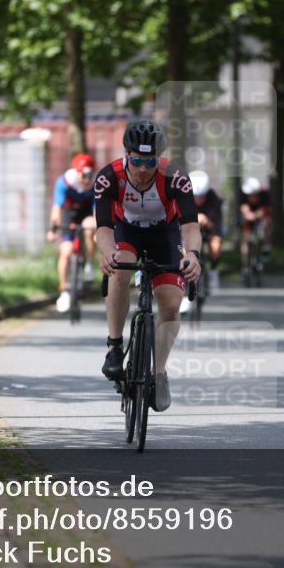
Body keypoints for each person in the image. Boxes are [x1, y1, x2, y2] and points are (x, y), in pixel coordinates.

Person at [94, 120, 201, 412]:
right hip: (125, 231)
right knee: (120, 270)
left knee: (170, 302)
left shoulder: (175, 177)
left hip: (163, 234)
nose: (143, 168)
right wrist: (107, 252)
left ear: (159, 158)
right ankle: (115, 347)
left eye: (150, 161)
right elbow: (102, 228)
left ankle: (159, 372)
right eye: (137, 160)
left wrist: (192, 254)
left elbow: (191, 224)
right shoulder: (108, 177)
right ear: (126, 154)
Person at [48, 153, 97, 313]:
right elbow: (57, 208)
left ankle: (89, 264)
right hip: (69, 214)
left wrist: (99, 230)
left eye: (91, 175)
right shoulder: (65, 182)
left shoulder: (96, 184)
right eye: (85, 176)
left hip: (87, 213)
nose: (88, 179)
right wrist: (53, 229)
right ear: (77, 173)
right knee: (66, 252)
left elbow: (98, 212)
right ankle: (63, 291)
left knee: (90, 228)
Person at [183, 170, 223, 305]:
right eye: (196, 196)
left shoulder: (214, 198)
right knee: (183, 252)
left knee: (215, 246)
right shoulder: (183, 196)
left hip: (209, 228)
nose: (199, 199)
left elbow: (216, 223)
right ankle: (186, 286)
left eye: (202, 196)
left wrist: (206, 221)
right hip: (188, 229)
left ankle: (213, 271)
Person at [240, 177, 272, 263]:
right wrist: (247, 214)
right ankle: (245, 262)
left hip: (261, 211)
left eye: (253, 195)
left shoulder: (264, 193)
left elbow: (265, 210)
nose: (251, 197)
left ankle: (266, 247)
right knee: (246, 236)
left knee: (267, 223)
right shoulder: (243, 193)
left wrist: (256, 215)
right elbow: (243, 207)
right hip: (250, 212)